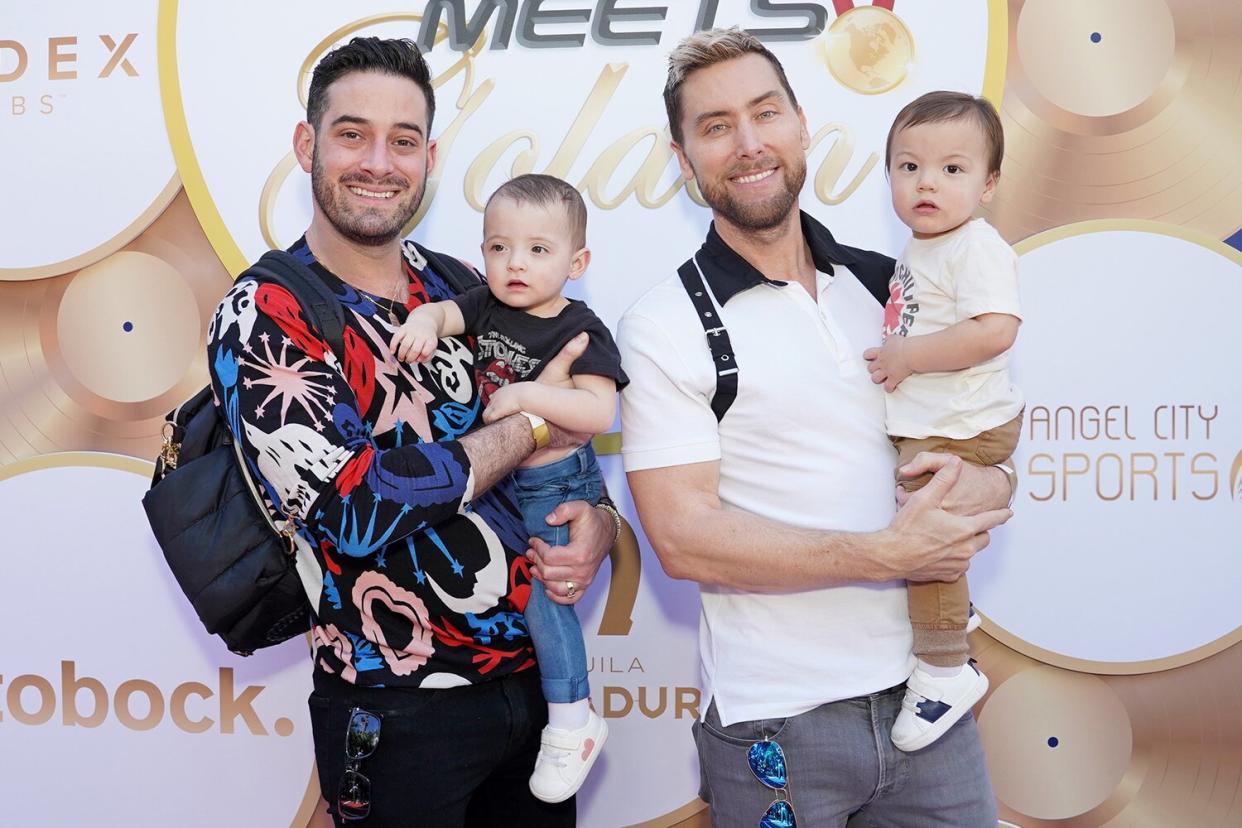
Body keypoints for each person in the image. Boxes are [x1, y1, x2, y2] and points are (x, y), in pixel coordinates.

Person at [205, 37, 617, 827]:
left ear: (428, 159)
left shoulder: (466, 284)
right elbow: (356, 510)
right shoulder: (267, 312)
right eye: (351, 134)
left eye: (402, 142)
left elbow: (575, 451)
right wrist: (529, 423)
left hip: (537, 698)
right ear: (307, 146)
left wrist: (600, 525)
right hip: (396, 715)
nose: (378, 162)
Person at [618, 28, 1013, 827]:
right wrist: (883, 555)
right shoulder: (663, 325)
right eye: (716, 125)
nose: (749, 143)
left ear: (802, 125)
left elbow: (972, 426)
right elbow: (682, 539)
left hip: (928, 704)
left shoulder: (890, 281)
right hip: (778, 722)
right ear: (683, 157)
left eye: (766, 113)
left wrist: (990, 479)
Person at [391, 173, 627, 802]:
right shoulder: (484, 303)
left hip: (554, 478)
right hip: (496, 490)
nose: (514, 263)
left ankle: (573, 720)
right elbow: (448, 313)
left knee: (545, 597)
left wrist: (524, 397)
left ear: (577, 262)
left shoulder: (583, 328)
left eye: (537, 250)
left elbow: (599, 412)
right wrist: (425, 319)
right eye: (499, 247)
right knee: (516, 590)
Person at [862, 90, 1023, 753]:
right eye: (909, 167)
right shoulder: (922, 245)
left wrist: (909, 356)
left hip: (961, 428)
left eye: (952, 170)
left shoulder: (975, 246)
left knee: (923, 541)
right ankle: (955, 609)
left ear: (988, 185)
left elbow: (995, 330)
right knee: (920, 532)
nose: (927, 182)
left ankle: (943, 669)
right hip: (940, 422)